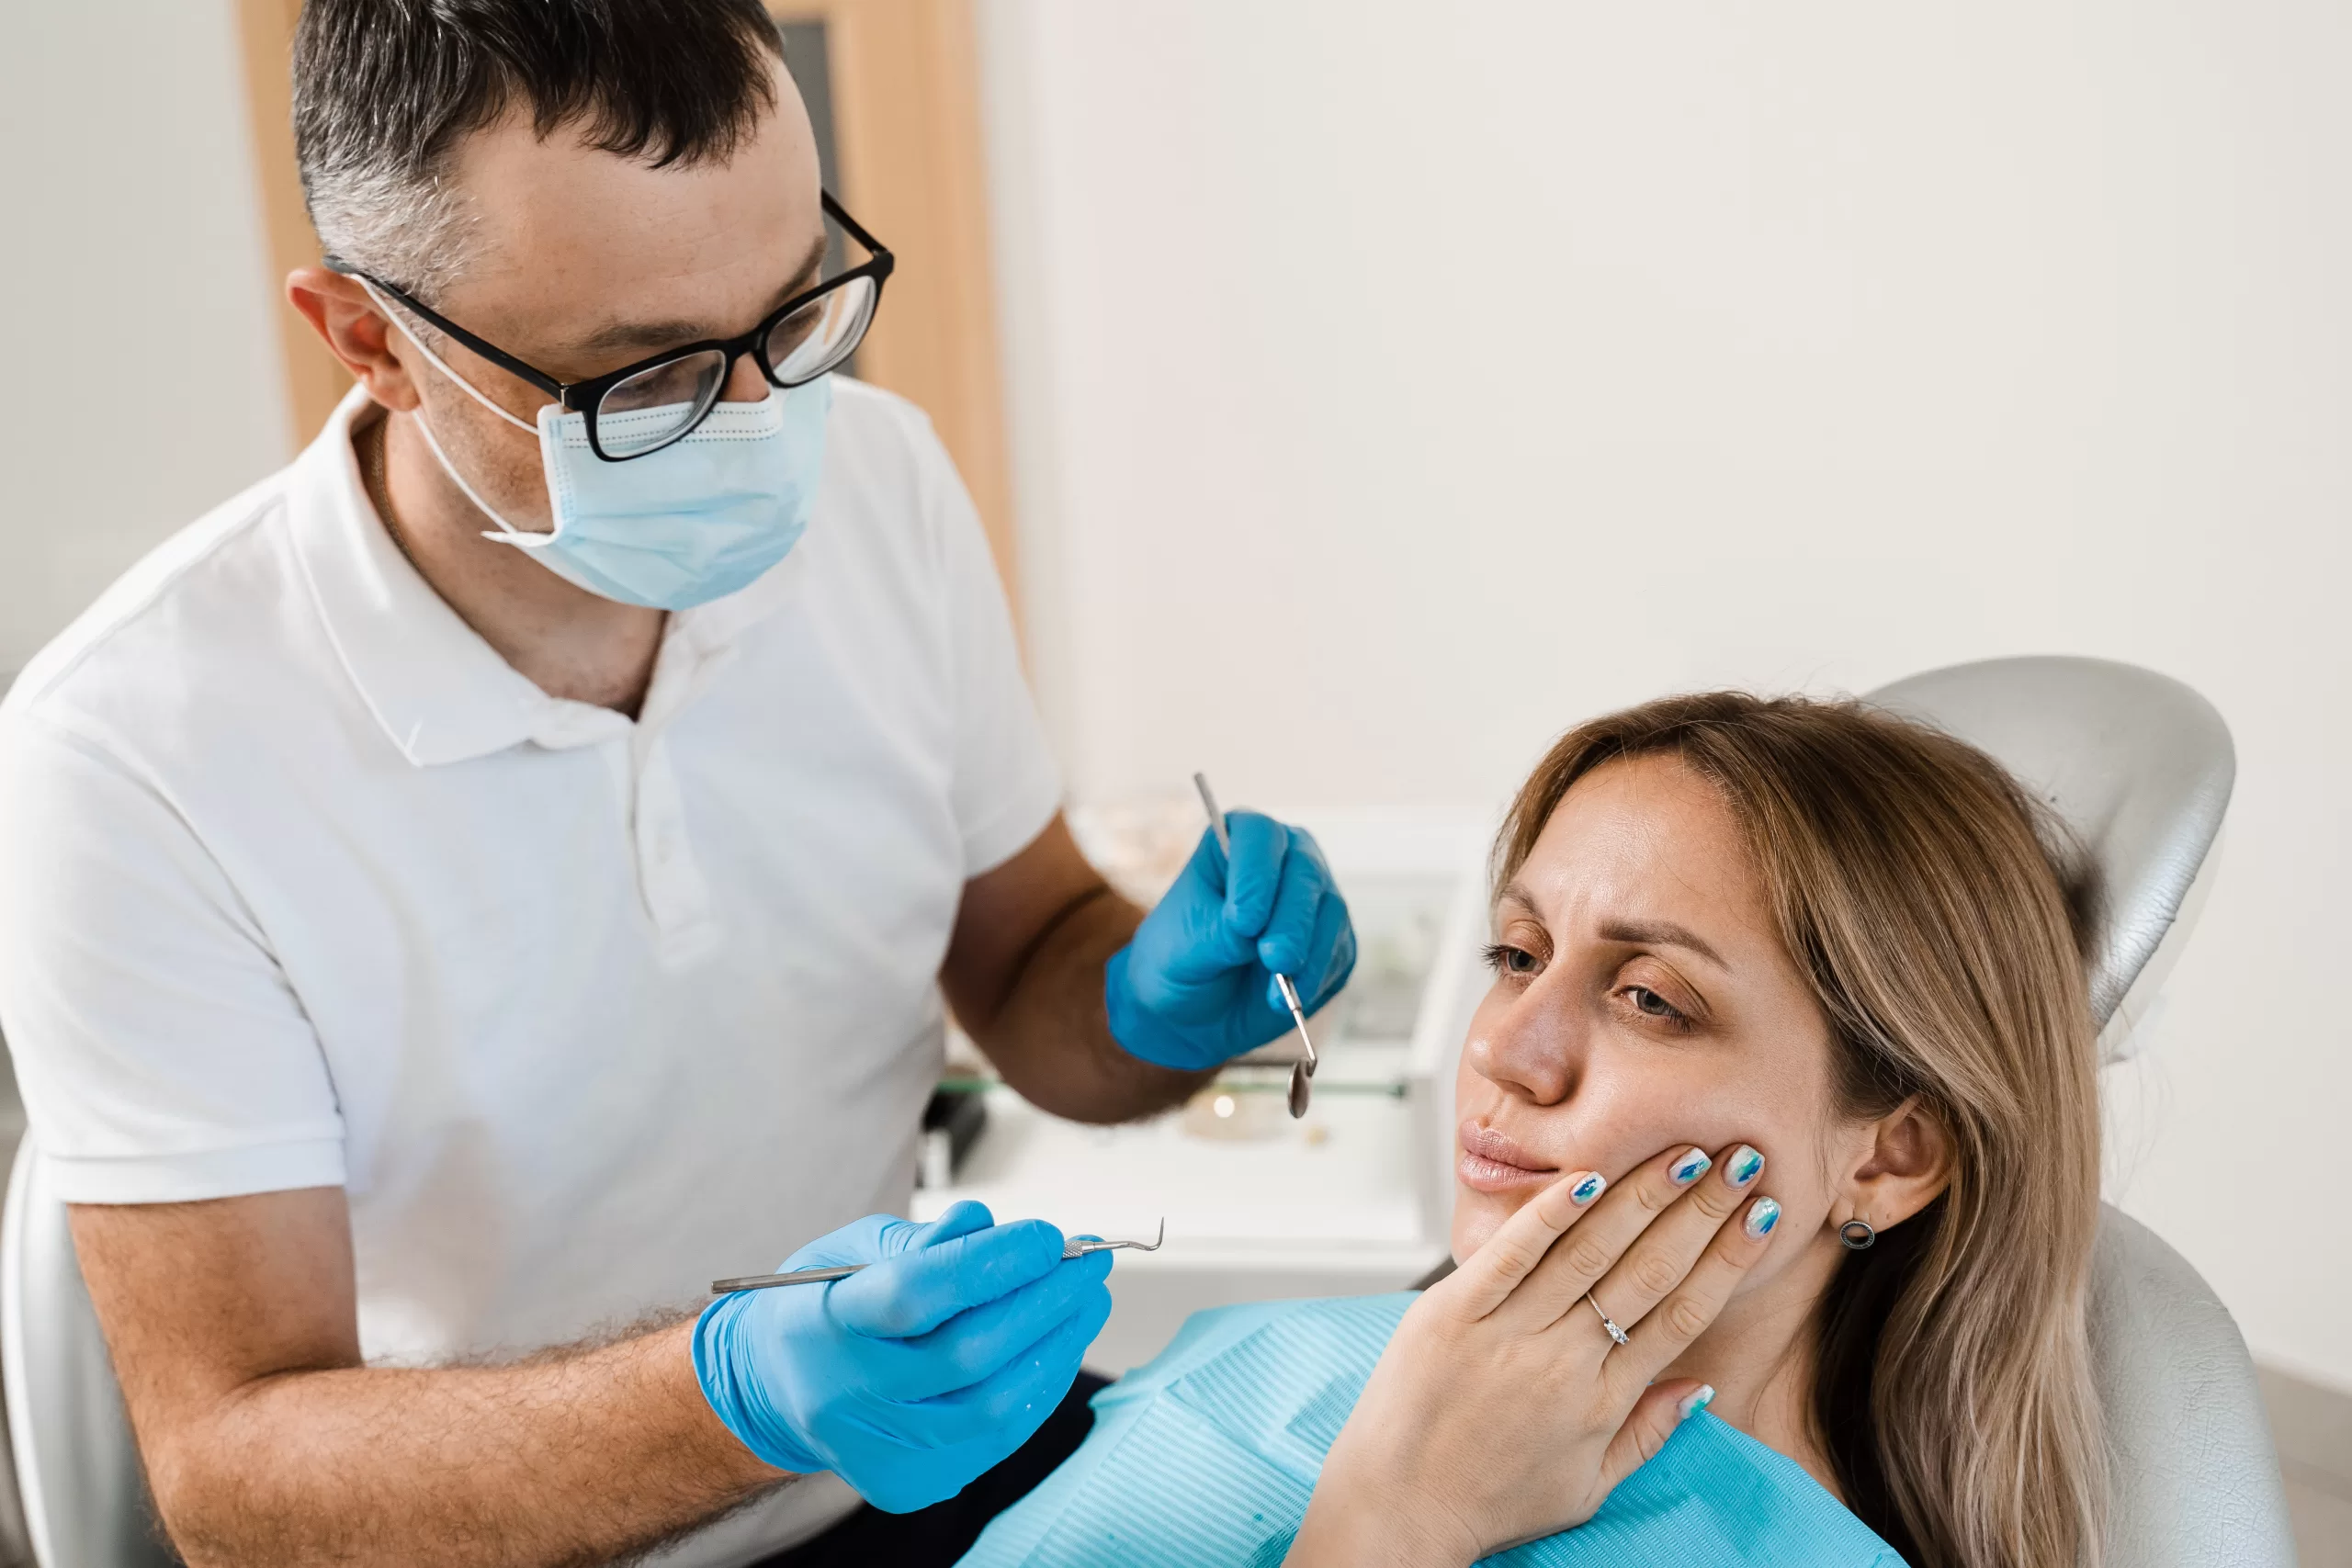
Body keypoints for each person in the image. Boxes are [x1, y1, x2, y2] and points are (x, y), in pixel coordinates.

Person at [0, 6, 1353, 1567]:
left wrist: (1136, 998)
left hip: (917, 1480)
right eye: (644, 382)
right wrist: (731, 1398)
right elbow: (237, 1478)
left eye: (794, 319)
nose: (768, 426)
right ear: (375, 344)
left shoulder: (881, 486)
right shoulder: (129, 756)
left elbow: (1033, 963)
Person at [962, 693, 2107, 1568]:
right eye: (1517, 956)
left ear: (1889, 1155)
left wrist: (1398, 1520)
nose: (1504, 1048)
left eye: (1650, 998)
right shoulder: (1340, 1350)